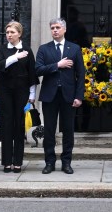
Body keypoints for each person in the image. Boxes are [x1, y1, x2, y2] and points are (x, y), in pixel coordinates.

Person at [35, 17, 85, 175]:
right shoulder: (44, 49)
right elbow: (38, 70)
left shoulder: (74, 48)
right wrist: (58, 65)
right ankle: (49, 162)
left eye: (57, 27)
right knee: (49, 130)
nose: (55, 30)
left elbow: (81, 74)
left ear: (64, 29)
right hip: (50, 95)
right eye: (52, 28)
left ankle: (66, 162)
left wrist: (79, 96)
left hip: (68, 96)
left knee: (68, 131)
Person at [0, 20, 39, 173]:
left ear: (19, 34)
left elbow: (32, 73)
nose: (9, 35)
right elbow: (0, 66)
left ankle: (18, 161)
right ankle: (7, 161)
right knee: (7, 125)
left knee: (20, 125)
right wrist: (15, 57)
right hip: (5, 90)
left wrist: (32, 95)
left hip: (22, 91)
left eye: (12, 32)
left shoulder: (27, 49)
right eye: (7, 32)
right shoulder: (1, 49)